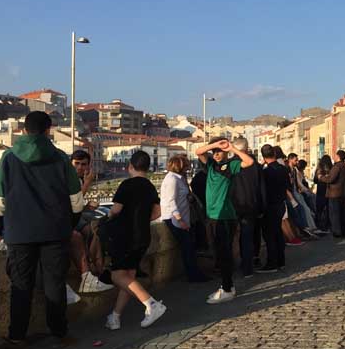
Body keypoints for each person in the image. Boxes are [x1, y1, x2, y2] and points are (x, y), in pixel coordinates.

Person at [0, 111, 85, 348]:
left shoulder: (9, 158)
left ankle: (17, 335)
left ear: (23, 130)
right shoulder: (60, 158)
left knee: (21, 285)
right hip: (55, 232)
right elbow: (76, 200)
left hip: (19, 233)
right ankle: (60, 332)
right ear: (48, 130)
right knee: (55, 283)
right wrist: (67, 225)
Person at [104, 151, 166, 330]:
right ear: (147, 167)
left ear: (130, 166)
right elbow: (158, 212)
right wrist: (141, 220)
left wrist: (109, 216)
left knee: (117, 275)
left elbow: (116, 210)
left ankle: (151, 304)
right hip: (143, 236)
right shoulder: (149, 186)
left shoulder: (126, 184)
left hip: (125, 236)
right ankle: (115, 317)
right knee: (129, 277)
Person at [194, 137, 254, 304]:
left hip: (225, 216)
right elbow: (198, 152)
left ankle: (226, 288)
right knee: (217, 252)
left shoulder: (231, 166)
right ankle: (228, 285)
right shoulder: (211, 165)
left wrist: (232, 149)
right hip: (212, 216)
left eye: (220, 152)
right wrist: (215, 145)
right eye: (215, 152)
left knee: (224, 253)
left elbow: (248, 162)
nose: (217, 154)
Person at [69, 150, 114, 295]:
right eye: (77, 164)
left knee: (95, 231)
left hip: (76, 216)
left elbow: (77, 204)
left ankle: (98, 270)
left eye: (84, 164)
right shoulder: (70, 179)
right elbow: (73, 201)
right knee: (92, 230)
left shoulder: (79, 179)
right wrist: (88, 183)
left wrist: (87, 205)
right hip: (67, 220)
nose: (80, 168)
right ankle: (98, 271)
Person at [160, 154, 207, 282]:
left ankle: (195, 274)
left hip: (183, 218)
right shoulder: (172, 180)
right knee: (187, 248)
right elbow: (171, 201)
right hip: (175, 219)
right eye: (186, 165)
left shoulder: (179, 178)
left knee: (190, 247)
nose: (188, 167)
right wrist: (180, 220)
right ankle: (193, 275)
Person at [229, 137, 266, 278]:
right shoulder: (255, 165)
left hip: (233, 205)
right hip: (251, 205)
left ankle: (230, 266)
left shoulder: (231, 164)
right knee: (248, 237)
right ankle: (248, 266)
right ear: (247, 148)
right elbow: (261, 188)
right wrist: (261, 207)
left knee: (231, 238)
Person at [258, 144, 290, 273]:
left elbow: (262, 191)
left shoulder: (265, 172)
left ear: (263, 156)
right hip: (281, 204)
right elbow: (288, 186)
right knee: (278, 232)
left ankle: (272, 263)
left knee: (269, 235)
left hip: (270, 206)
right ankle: (281, 261)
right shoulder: (283, 169)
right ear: (275, 154)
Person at [318, 150, 345, 238]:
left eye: (335, 155)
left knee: (334, 214)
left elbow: (330, 179)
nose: (333, 157)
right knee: (342, 214)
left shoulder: (337, 167)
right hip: (342, 193)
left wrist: (321, 177)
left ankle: (337, 232)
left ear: (338, 156)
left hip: (334, 193)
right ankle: (343, 232)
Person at [313, 155, 333, 232]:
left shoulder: (319, 169)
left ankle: (318, 224)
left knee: (319, 209)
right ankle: (328, 224)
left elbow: (315, 180)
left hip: (321, 190)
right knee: (329, 208)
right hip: (329, 190)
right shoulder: (331, 168)